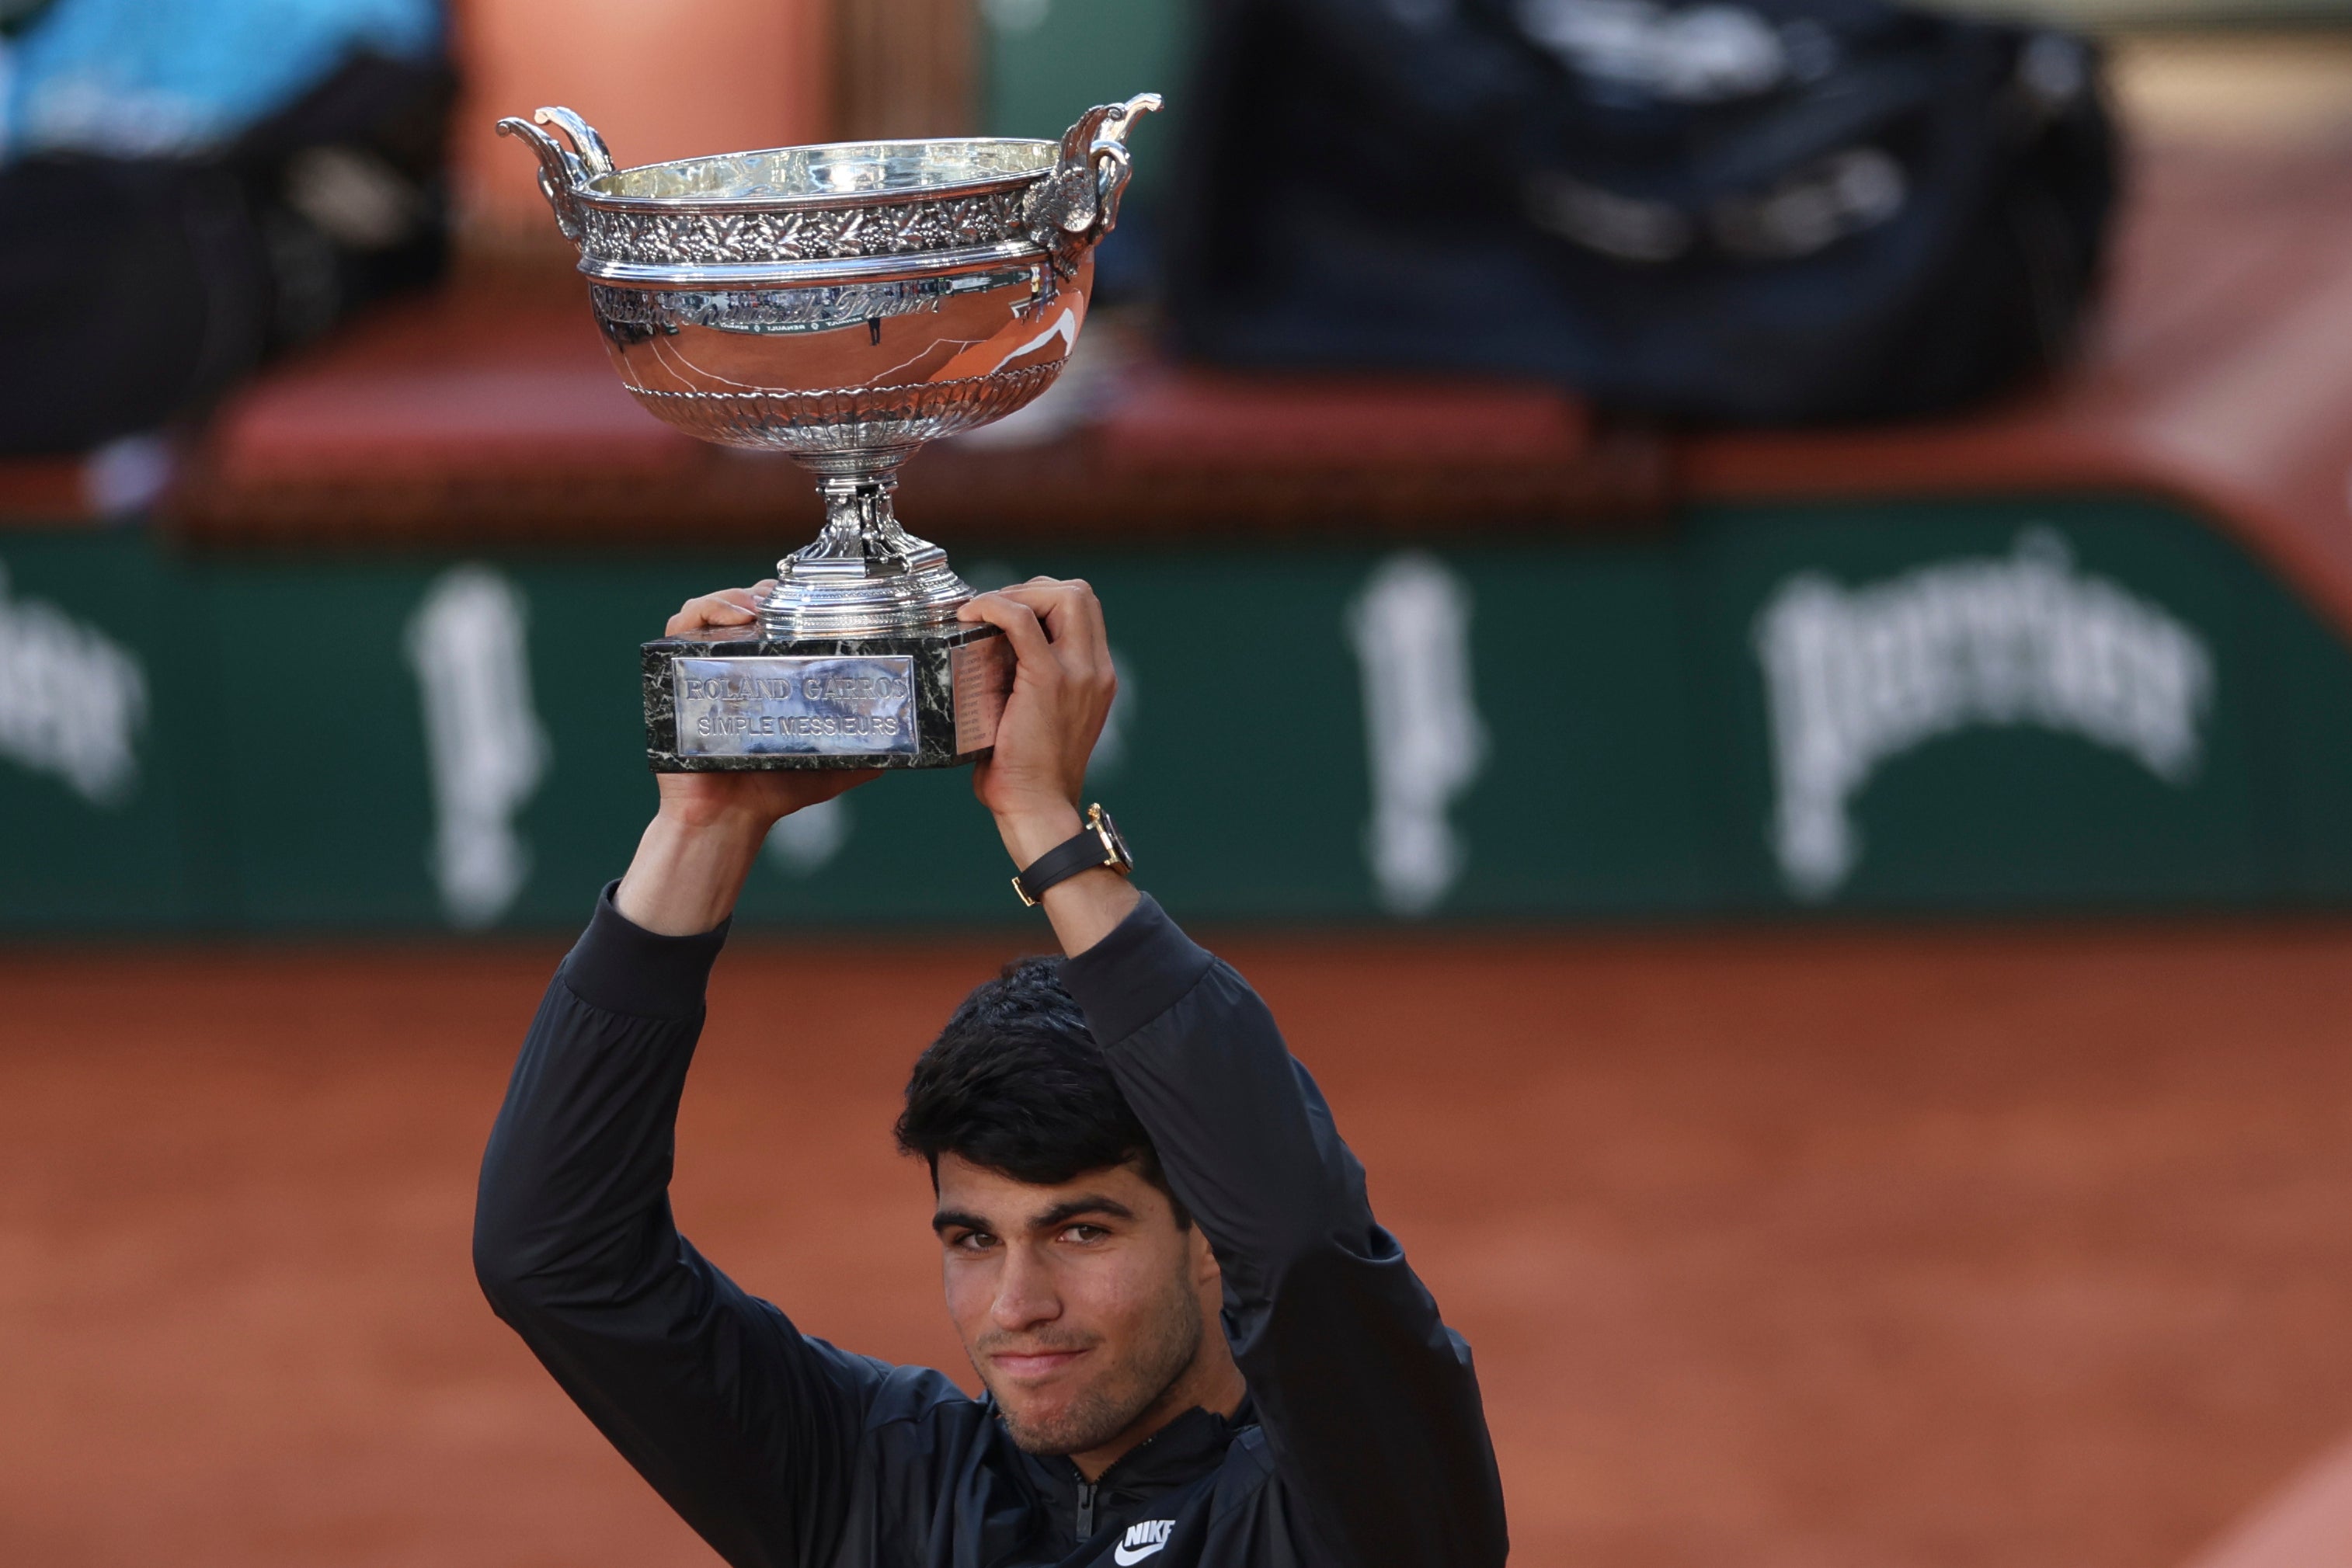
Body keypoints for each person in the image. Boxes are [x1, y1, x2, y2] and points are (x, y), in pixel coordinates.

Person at [472, 577, 1508, 1567]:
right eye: (973, 1238)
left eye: (1081, 1230)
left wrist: (1048, 828)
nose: (1018, 1305)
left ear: (1211, 1237)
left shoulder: (1360, 1514)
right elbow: (557, 1259)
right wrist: (702, 831)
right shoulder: (874, 1488)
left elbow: (1305, 1244)